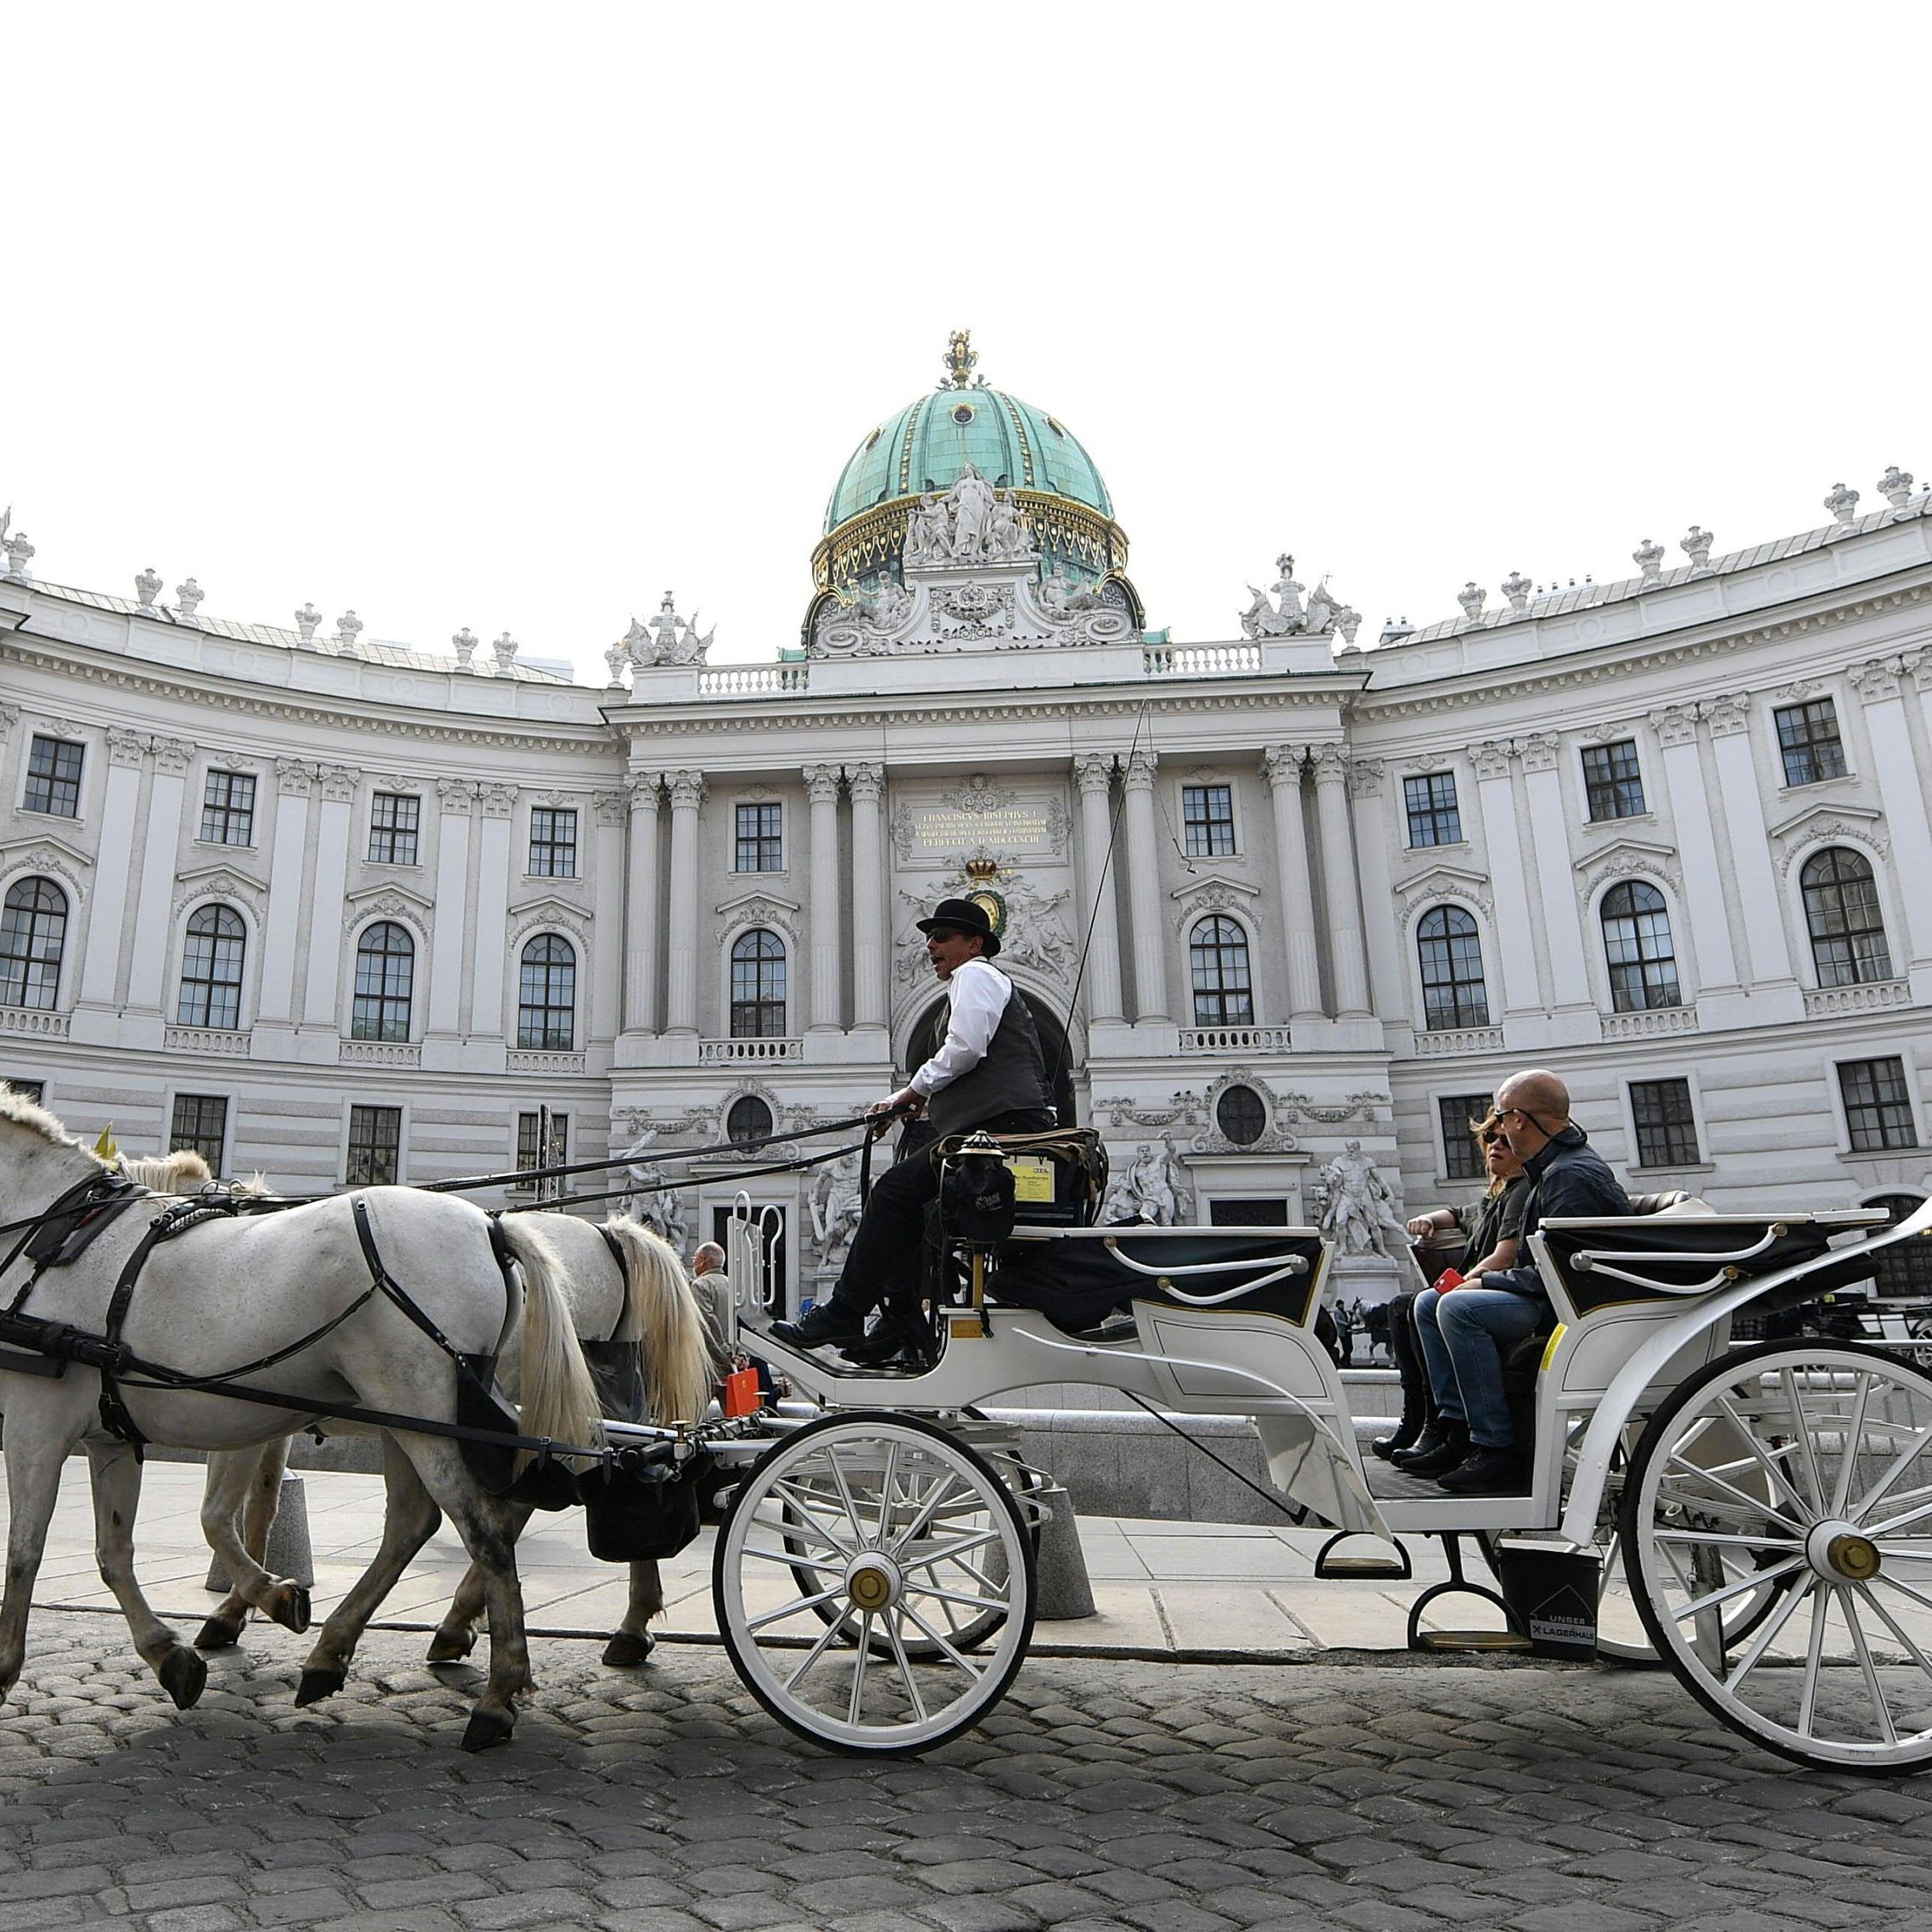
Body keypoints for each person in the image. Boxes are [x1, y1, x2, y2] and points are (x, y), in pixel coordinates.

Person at [770, 896, 1057, 1369]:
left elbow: (965, 1048)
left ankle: (847, 1311)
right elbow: (969, 1061)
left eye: (942, 936)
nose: (930, 945)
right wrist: (918, 1099)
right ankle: (900, 1317)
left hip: (999, 1129)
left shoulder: (976, 975)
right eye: (929, 936)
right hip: (996, 1126)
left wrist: (910, 1091)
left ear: (974, 943)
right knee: (916, 1208)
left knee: (892, 1192)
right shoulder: (973, 980)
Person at [1398, 1069, 1629, 1493]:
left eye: (1501, 1119)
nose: (1498, 1130)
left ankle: (1496, 1449)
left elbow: (1560, 1271)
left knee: (1456, 1307)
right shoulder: (1555, 1169)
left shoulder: (1567, 1175)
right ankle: (1457, 1431)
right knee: (1428, 1304)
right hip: (1556, 1297)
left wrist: (1485, 1284)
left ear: (1519, 1120)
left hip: (1570, 1309)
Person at [1374, 1115, 1527, 1460]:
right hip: (1489, 1289)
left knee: (1426, 1304)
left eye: (1504, 1140)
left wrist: (1468, 1279)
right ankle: (1424, 1419)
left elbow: (1506, 1255)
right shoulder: (1495, 1196)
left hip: (1502, 1291)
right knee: (1402, 1308)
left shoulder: (1519, 1192)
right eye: (1490, 1138)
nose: (1494, 1146)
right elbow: (1459, 1213)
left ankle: (1447, 1426)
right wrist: (1431, 1219)